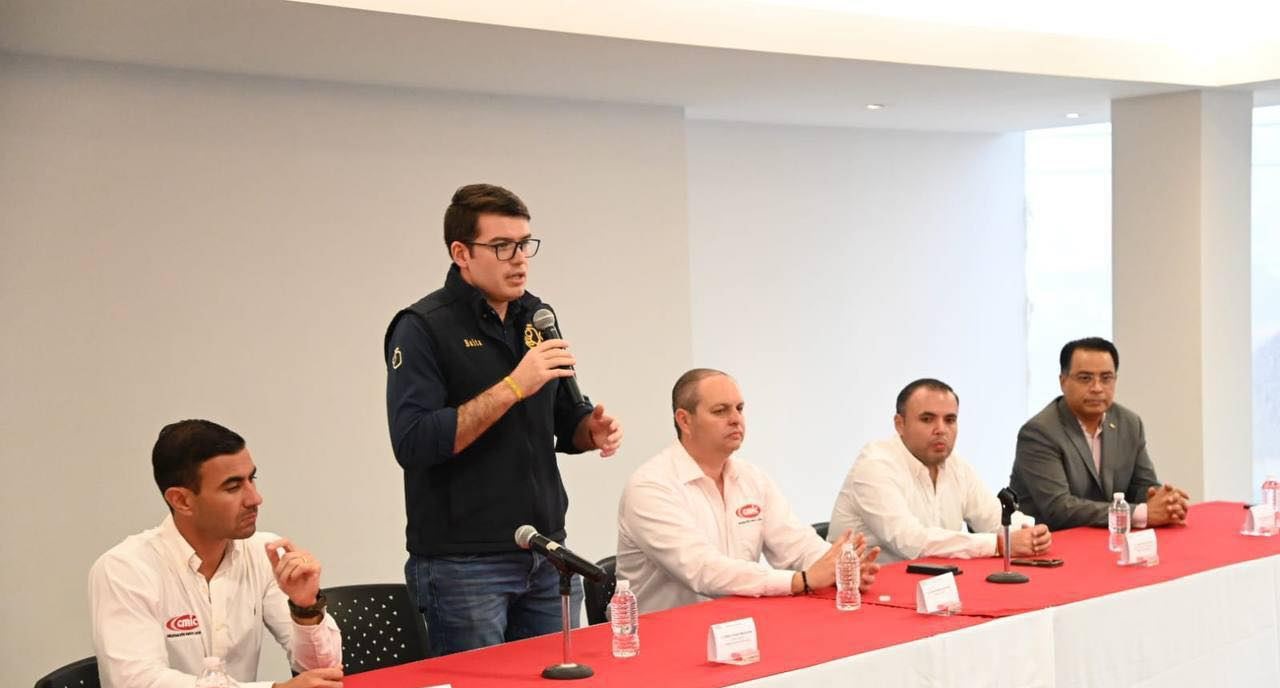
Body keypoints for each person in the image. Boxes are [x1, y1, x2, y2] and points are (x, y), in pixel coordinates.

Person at [385, 184, 623, 655]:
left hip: (546, 555)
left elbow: (563, 417)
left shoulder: (536, 315)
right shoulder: (422, 327)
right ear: (461, 253)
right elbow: (414, 442)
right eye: (501, 247)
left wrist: (587, 431)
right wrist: (514, 385)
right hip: (465, 567)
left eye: (524, 244)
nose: (519, 260)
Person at [89, 420, 344, 688]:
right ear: (182, 500)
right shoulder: (125, 568)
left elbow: (324, 675)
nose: (255, 498)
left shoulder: (263, 552)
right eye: (233, 487)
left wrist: (305, 608)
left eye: (252, 479)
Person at [617, 368, 878, 614]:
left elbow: (795, 543)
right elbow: (702, 570)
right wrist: (801, 581)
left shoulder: (751, 477)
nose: (735, 419)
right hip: (661, 633)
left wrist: (840, 567)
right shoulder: (650, 486)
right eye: (720, 411)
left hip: (739, 621)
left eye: (739, 409)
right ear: (685, 421)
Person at [828, 378, 1052, 564]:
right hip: (862, 591)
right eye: (927, 419)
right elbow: (911, 542)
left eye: (950, 420)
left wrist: (1030, 532)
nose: (941, 430)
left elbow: (993, 517)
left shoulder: (956, 465)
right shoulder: (874, 466)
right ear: (899, 424)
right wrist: (999, 544)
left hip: (934, 583)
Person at [1010, 337, 1190, 531]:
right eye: (1085, 378)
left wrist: (1163, 501)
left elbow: (1141, 486)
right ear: (1063, 381)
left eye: (1106, 378)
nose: (1097, 388)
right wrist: (1140, 513)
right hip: (1050, 540)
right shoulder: (1040, 432)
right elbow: (1059, 509)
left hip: (1108, 536)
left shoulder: (1129, 423)